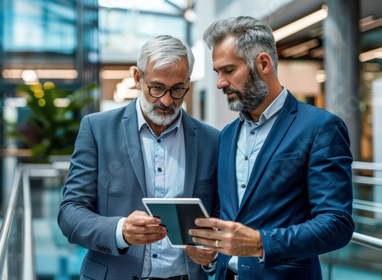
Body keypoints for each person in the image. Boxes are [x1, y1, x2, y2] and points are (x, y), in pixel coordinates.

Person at [185, 16, 355, 280]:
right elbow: (228, 213)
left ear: (263, 63)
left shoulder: (320, 127)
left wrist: (260, 243)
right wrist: (211, 251)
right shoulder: (227, 136)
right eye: (217, 72)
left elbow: (336, 224)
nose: (220, 83)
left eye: (228, 70)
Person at [58, 34, 220, 280]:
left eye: (178, 89)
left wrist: (212, 255)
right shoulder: (97, 129)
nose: (166, 101)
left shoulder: (212, 141)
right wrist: (120, 230)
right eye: (157, 88)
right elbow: (70, 213)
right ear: (137, 77)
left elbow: (220, 216)